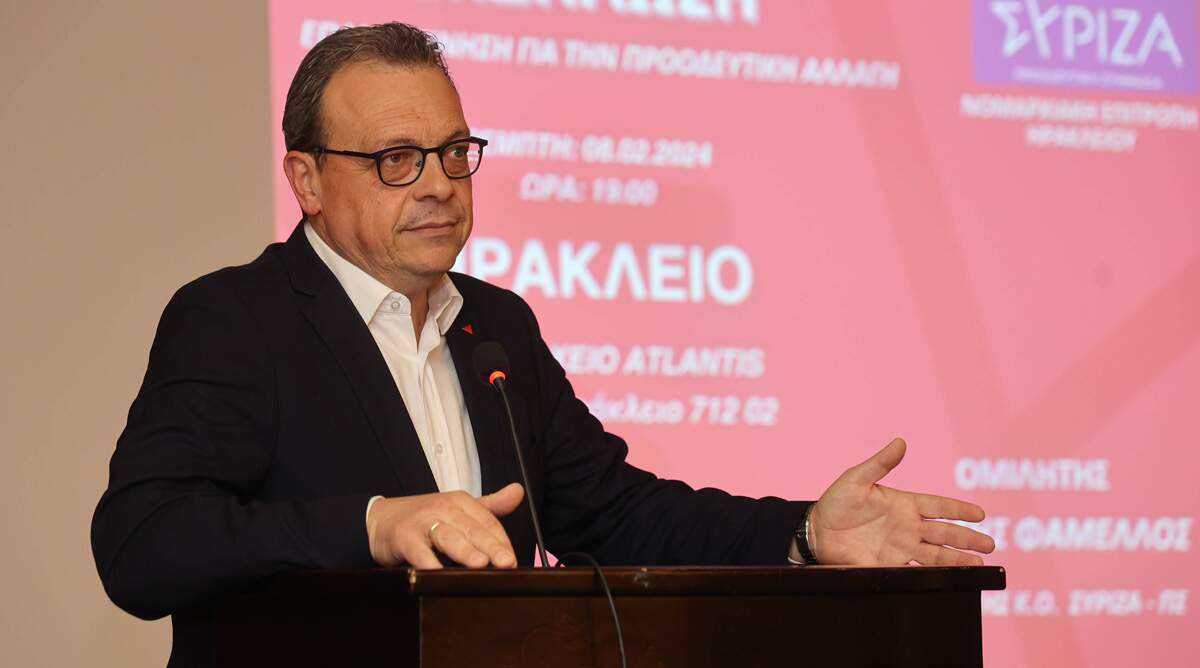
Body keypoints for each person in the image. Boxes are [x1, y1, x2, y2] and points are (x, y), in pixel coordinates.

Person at [92, 22, 994, 627]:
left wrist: (803, 536)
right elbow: (142, 544)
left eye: (454, 152)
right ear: (308, 180)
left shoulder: (496, 325)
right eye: (398, 159)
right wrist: (372, 525)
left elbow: (618, 514)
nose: (439, 184)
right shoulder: (237, 320)